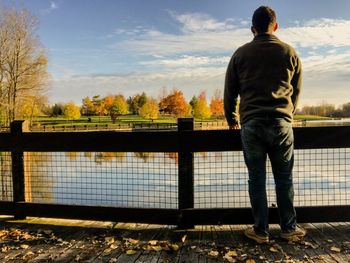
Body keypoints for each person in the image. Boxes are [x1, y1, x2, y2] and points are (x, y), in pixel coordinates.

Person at [224, 6, 305, 244]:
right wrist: (288, 114)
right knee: (284, 178)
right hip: (281, 124)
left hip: (251, 124)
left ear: (253, 29)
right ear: (276, 26)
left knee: (256, 178)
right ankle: (289, 229)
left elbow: (230, 92)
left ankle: (260, 231)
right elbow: (296, 91)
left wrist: (232, 120)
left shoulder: (240, 54)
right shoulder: (290, 52)